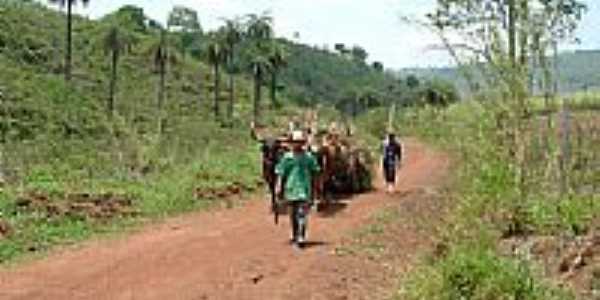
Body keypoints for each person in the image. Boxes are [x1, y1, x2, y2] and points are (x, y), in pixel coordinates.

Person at [275, 130, 321, 248]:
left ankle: (301, 236)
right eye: (295, 142)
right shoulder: (287, 157)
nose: (297, 144)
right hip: (290, 189)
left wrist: (316, 188)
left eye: (300, 142)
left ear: (303, 143)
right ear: (291, 143)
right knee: (292, 215)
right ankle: (295, 235)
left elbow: (315, 172)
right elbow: (281, 173)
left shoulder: (309, 157)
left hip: (304, 189)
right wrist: (278, 187)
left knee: (302, 214)